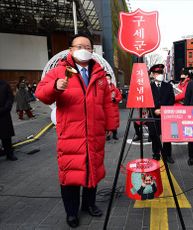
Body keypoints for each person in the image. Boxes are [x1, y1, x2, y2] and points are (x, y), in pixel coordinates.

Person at [36, 33, 116, 228]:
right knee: (70, 175)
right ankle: (71, 213)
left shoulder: (99, 74)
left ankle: (89, 204)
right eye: (80, 46)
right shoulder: (59, 72)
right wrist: (55, 87)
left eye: (88, 47)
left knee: (93, 171)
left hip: (95, 134)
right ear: (71, 49)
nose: (85, 49)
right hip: (71, 135)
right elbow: (41, 94)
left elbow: (107, 103)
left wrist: (111, 126)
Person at [147, 64, 175, 163]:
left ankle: (168, 155)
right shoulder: (149, 87)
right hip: (153, 115)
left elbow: (172, 100)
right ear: (153, 75)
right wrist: (154, 110)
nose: (160, 75)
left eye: (161, 73)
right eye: (157, 73)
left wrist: (163, 110)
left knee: (167, 136)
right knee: (154, 136)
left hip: (166, 115)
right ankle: (156, 154)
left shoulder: (168, 86)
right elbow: (147, 101)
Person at [0, 80, 18, 161]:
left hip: (4, 114)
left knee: (6, 136)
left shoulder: (4, 84)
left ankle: (9, 153)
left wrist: (6, 108)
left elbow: (10, 97)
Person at [106, 74, 122, 141]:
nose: (107, 80)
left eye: (108, 78)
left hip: (113, 108)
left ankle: (115, 134)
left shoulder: (115, 89)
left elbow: (120, 97)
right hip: (106, 108)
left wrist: (115, 99)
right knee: (107, 122)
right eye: (106, 79)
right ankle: (108, 134)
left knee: (114, 122)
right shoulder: (102, 89)